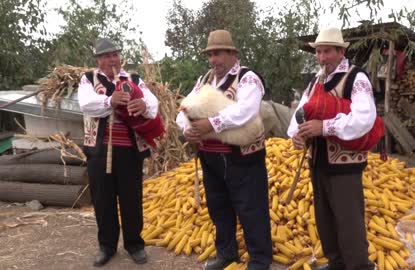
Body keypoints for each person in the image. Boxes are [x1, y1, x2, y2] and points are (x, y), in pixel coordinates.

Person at [176, 30, 272, 270]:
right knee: (219, 207)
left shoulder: (248, 78)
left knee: (251, 207)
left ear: (232, 53)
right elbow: (183, 108)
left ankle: (260, 258)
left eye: (217, 54)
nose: (213, 60)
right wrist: (186, 128)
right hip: (211, 155)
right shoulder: (205, 80)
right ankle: (227, 253)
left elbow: (246, 110)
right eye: (210, 55)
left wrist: (212, 123)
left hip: (243, 156)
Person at [288, 28, 377, 270]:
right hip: (318, 161)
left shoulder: (355, 78)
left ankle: (358, 266)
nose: (322, 57)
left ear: (341, 51)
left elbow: (364, 118)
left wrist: (324, 127)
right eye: (318, 52)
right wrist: (297, 133)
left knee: (349, 221)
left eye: (327, 51)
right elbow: (301, 111)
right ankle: (336, 263)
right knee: (324, 219)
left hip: (345, 165)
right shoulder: (317, 80)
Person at [78, 38, 160, 267]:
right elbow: (85, 104)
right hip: (100, 151)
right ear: (98, 60)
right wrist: (109, 100)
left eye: (114, 54)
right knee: (103, 200)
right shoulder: (88, 79)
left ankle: (135, 245)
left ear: (120, 56)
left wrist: (144, 106)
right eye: (105, 56)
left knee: (131, 199)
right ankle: (107, 246)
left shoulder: (133, 79)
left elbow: (153, 103)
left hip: (129, 152)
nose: (111, 59)